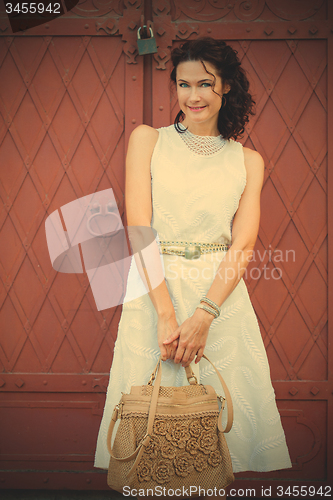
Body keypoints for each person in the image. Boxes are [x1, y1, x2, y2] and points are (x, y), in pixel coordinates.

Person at [94, 37, 292, 497]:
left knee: (220, 436)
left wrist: (204, 315)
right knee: (150, 427)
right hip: (153, 293)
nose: (194, 95)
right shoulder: (149, 139)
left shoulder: (248, 161)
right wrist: (166, 314)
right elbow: (139, 227)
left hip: (219, 304)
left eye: (205, 83)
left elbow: (242, 245)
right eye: (184, 84)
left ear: (227, 88)